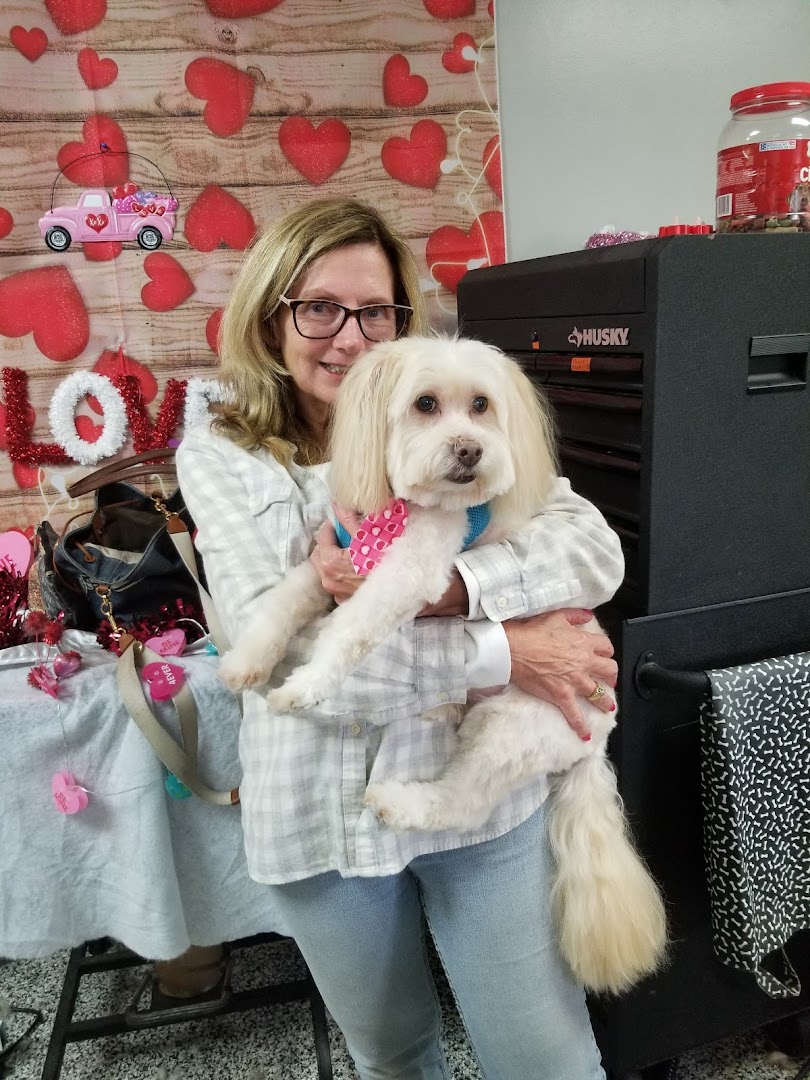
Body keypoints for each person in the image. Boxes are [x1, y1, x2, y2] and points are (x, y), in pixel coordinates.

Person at [176, 197, 624, 1080]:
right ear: (272, 318)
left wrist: (456, 584)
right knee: (392, 1055)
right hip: (317, 809)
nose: (349, 337)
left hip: (483, 799)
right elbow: (299, 670)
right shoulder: (223, 453)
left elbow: (592, 550)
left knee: (545, 1058)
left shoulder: (460, 420)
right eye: (318, 308)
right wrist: (513, 650)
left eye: (374, 311)